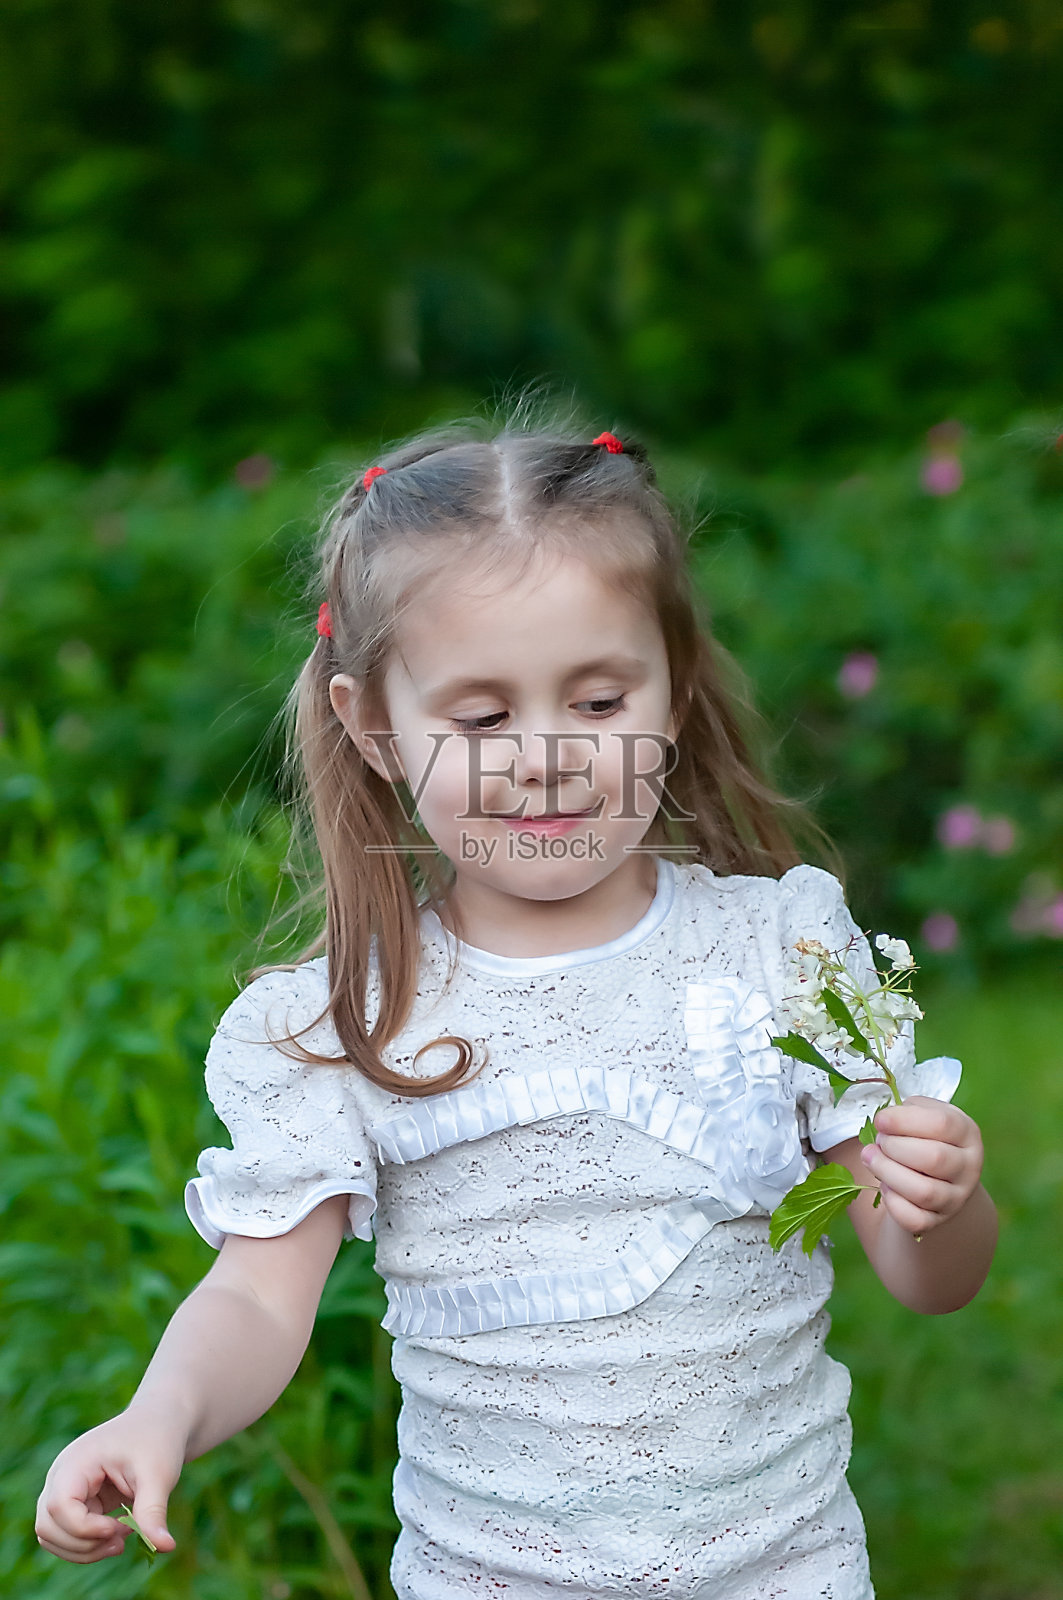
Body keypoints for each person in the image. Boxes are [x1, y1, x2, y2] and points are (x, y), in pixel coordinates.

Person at [35, 412, 998, 1597]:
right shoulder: (354, 1021)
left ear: (674, 691)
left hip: (782, 1569)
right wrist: (160, 1413)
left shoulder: (775, 953)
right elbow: (251, 1294)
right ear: (373, 728)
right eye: (481, 717)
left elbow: (929, 1278)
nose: (541, 756)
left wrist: (940, 1199)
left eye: (598, 704)